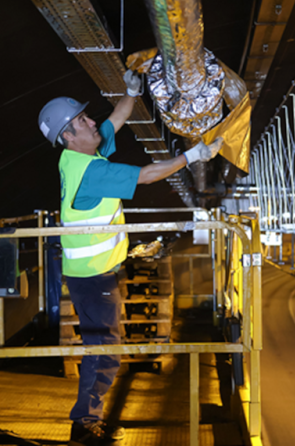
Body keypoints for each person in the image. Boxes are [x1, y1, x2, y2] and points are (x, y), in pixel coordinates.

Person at [38, 70, 223, 446]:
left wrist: (131, 93)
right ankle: (86, 425)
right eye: (82, 121)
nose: (91, 122)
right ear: (68, 137)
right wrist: (192, 155)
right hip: (94, 278)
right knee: (105, 353)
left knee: (101, 348)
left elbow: (112, 123)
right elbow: (149, 174)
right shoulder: (92, 172)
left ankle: (87, 420)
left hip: (88, 276)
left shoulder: (74, 159)